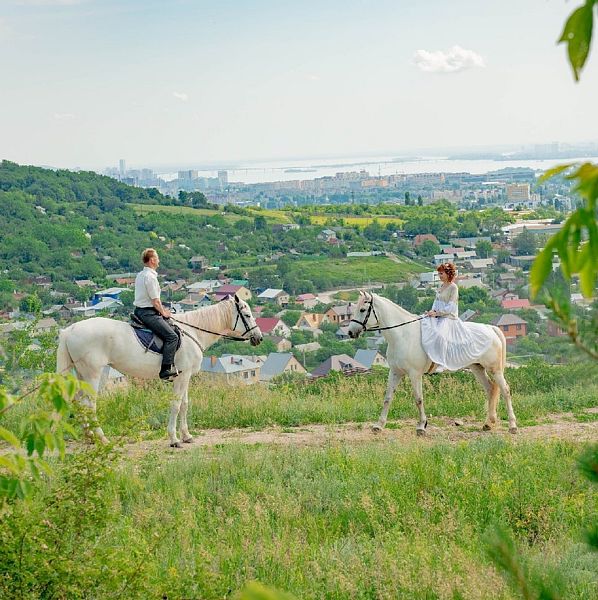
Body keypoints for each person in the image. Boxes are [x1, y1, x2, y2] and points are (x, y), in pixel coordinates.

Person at [420, 262, 495, 372]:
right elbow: (436, 302)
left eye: (441, 274)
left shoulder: (453, 288)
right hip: (438, 315)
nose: (440, 276)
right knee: (424, 325)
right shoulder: (441, 286)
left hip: (448, 317)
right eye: (439, 274)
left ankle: (442, 362)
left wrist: (437, 313)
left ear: (448, 274)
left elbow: (451, 307)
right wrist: (431, 312)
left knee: (440, 335)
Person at [133, 248, 180, 380]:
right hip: (148, 313)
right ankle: (165, 369)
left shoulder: (141, 274)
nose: (159, 261)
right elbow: (155, 301)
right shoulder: (150, 277)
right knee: (172, 337)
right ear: (152, 260)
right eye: (157, 258)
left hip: (139, 310)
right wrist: (164, 313)